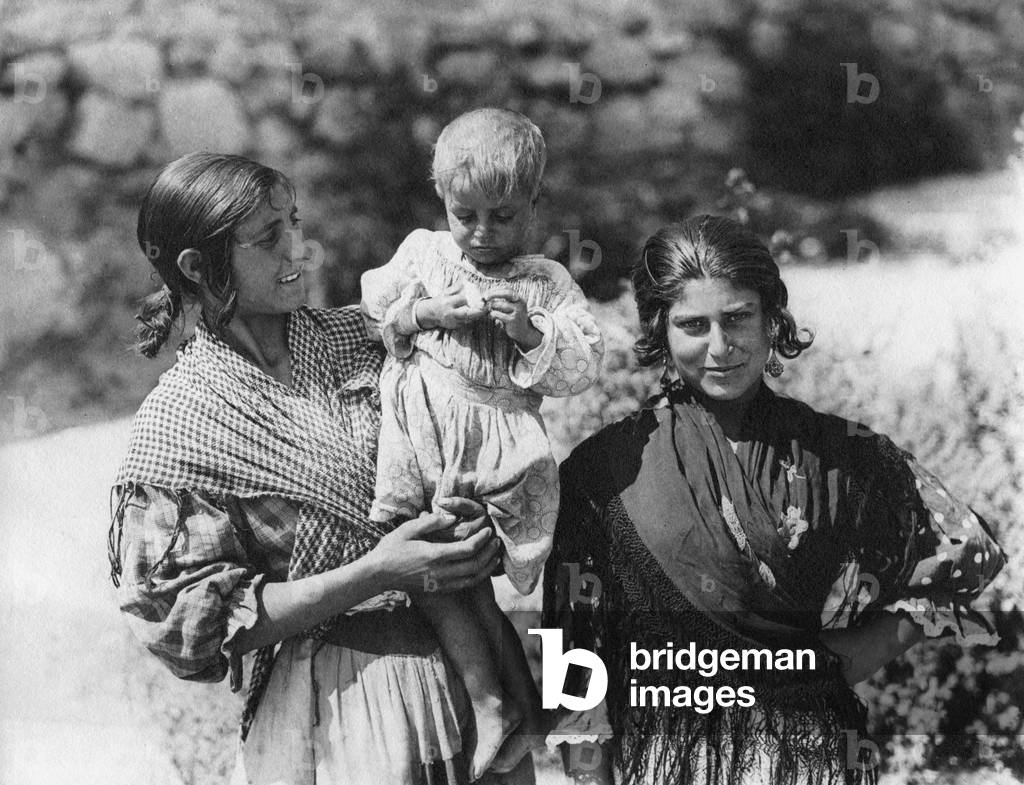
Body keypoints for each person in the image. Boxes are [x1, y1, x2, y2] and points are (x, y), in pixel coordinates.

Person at [107, 152, 533, 785]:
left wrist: (479, 526)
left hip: (473, 681)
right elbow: (190, 629)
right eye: (267, 238)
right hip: (337, 713)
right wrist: (375, 572)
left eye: (294, 223)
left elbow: (485, 435)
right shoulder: (181, 423)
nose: (297, 250)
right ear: (198, 267)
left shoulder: (372, 338)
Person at [542, 215, 1006, 784]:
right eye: (693, 325)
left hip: (811, 757)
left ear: (771, 318)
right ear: (661, 330)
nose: (720, 347)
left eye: (738, 317)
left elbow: (963, 550)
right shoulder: (604, 472)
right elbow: (573, 664)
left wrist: (846, 659)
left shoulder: (839, 454)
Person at [360, 108, 604, 778]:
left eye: (502, 216)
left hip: (494, 452)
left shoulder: (544, 282)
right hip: (423, 439)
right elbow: (375, 309)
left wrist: (530, 331)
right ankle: (503, 704)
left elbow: (581, 365)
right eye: (464, 214)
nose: (482, 232)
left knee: (461, 571)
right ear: (443, 202)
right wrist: (424, 312)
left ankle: (501, 703)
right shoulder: (427, 254)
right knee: (436, 564)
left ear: (534, 205)